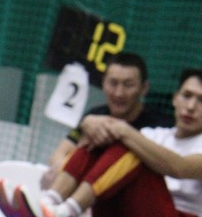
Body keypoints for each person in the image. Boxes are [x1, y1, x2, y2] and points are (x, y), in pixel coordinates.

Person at [3, 68, 202, 217]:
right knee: (103, 139)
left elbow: (180, 168)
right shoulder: (152, 134)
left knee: (129, 146)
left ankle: (64, 216)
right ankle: (49, 204)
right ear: (175, 98)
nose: (191, 106)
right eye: (186, 96)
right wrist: (90, 124)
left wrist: (123, 131)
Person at [32, 52, 170, 189]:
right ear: (103, 83)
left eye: (128, 85)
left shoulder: (159, 127)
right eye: (113, 83)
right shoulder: (93, 117)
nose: (119, 93)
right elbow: (58, 155)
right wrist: (68, 173)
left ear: (144, 88)